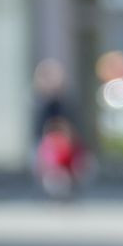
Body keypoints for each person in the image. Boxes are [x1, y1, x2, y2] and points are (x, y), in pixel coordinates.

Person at [31, 60, 83, 199]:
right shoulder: (40, 102)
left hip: (63, 142)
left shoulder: (65, 101)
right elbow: (40, 126)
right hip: (46, 142)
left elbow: (71, 123)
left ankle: (68, 187)